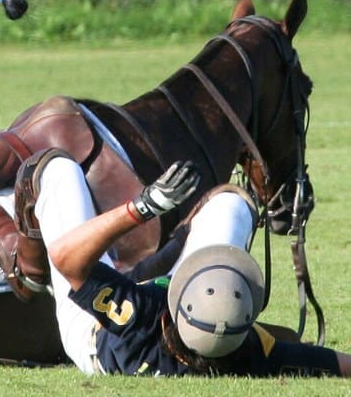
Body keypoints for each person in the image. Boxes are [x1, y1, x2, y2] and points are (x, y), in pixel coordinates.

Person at [23, 151, 349, 377]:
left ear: (172, 309)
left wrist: (142, 207)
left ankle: (27, 266)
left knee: (60, 170)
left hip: (92, 336)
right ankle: (172, 248)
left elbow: (66, 258)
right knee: (232, 204)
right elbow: (339, 364)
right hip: (172, 326)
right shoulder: (250, 354)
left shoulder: (143, 315)